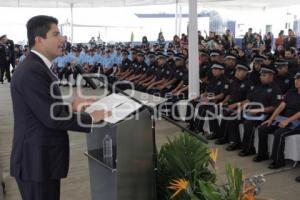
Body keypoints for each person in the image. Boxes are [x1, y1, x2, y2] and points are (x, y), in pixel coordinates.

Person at [10, 15, 111, 200]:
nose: (63, 39)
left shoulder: (39, 67)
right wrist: (91, 118)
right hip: (36, 161)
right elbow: (51, 117)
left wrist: (70, 107)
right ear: (39, 40)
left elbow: (43, 108)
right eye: (56, 34)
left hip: (42, 159)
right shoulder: (33, 70)